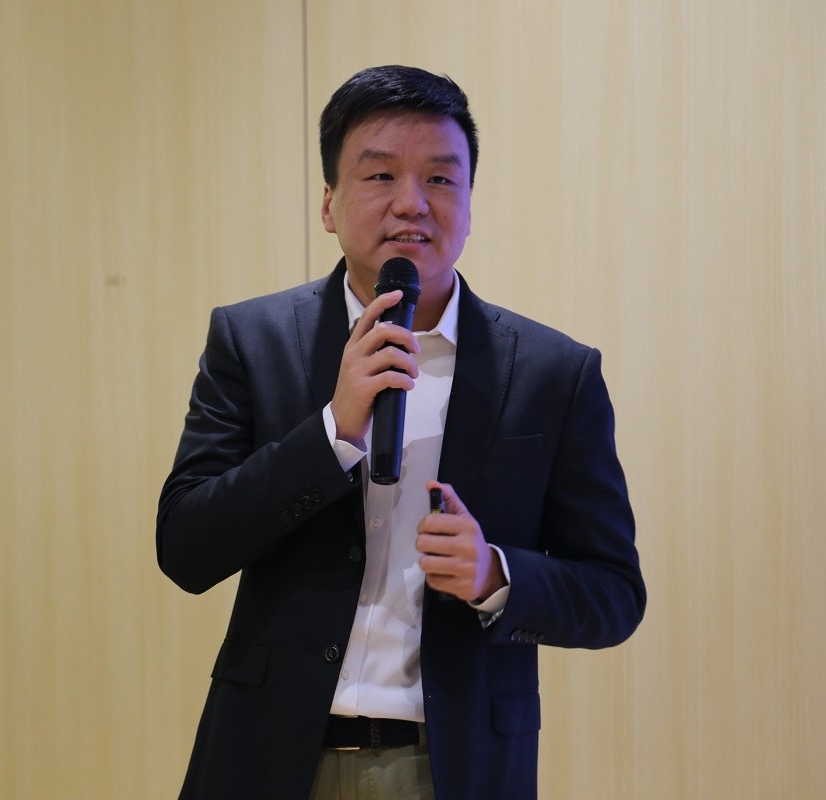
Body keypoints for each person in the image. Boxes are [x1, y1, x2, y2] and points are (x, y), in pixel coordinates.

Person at [157, 64, 645, 800]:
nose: (412, 203)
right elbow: (185, 547)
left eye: (440, 179)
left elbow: (614, 594)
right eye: (380, 175)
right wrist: (331, 432)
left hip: (454, 767)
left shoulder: (554, 373)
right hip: (272, 756)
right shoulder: (253, 341)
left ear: (470, 204)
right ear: (329, 203)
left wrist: (494, 576)